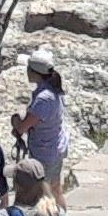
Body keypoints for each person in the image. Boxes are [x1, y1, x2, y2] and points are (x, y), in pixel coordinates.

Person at [10, 47, 69, 203]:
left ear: (34, 72)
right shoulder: (52, 91)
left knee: (44, 196)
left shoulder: (43, 98)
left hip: (44, 153)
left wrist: (15, 120)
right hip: (54, 147)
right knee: (55, 190)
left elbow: (22, 127)